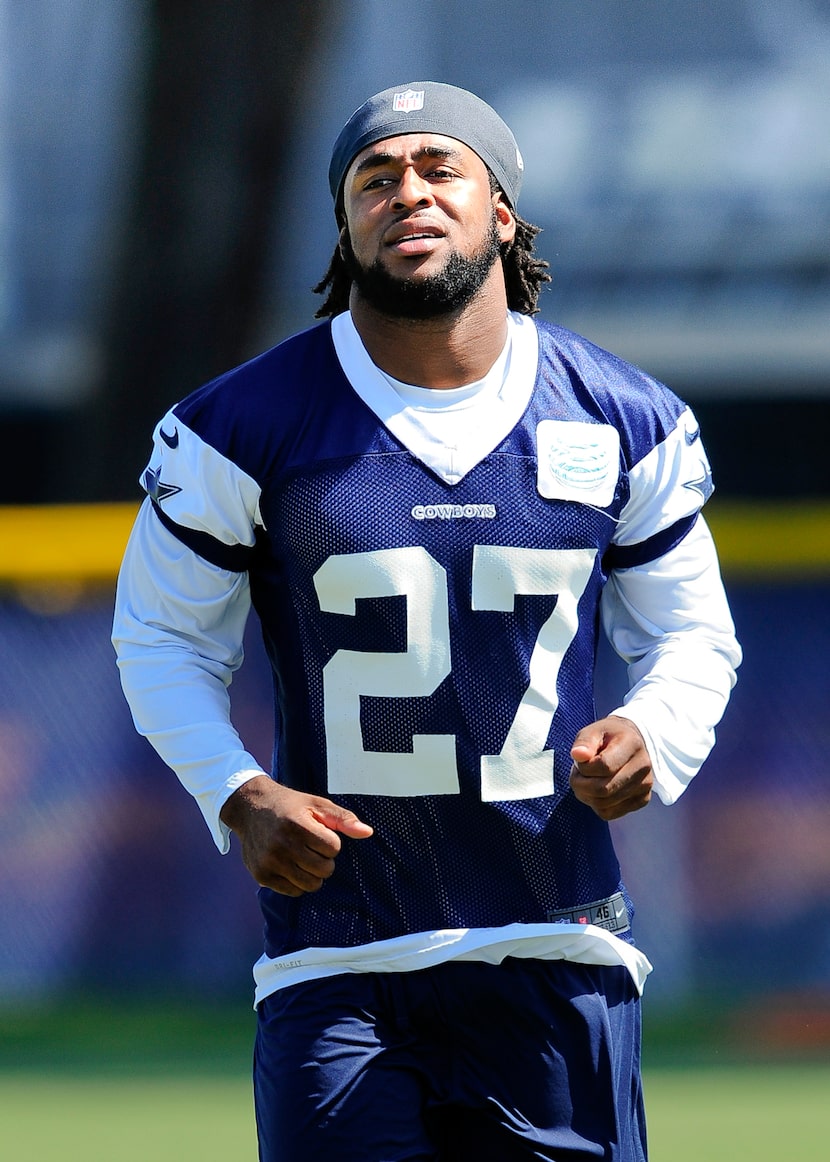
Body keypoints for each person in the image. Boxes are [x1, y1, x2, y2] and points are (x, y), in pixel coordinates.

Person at [112, 81, 741, 1161]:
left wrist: (654, 734)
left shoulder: (619, 416)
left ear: (501, 213)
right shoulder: (241, 426)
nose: (408, 193)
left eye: (438, 168)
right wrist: (237, 789)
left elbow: (692, 635)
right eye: (375, 177)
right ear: (346, 223)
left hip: (556, 941)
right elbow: (161, 637)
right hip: (337, 956)